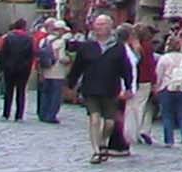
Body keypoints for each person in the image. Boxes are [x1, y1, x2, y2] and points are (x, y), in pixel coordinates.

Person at [70, 15, 135, 163]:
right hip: (90, 88)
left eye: (103, 24)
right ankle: (96, 150)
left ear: (110, 27)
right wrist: (70, 84)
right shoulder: (87, 46)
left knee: (109, 123)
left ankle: (103, 142)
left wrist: (129, 86)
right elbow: (77, 67)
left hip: (110, 89)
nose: (100, 27)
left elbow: (126, 68)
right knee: (94, 118)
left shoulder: (118, 47)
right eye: (97, 24)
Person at [154, 34, 182, 149]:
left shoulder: (164, 58)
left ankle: (169, 140)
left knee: (167, 114)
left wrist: (157, 88)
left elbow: (159, 75)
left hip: (167, 88)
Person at [0, 19, 35, 121]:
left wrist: (0, 67)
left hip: (9, 67)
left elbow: (3, 53)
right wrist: (28, 67)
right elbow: (31, 55)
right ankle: (19, 115)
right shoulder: (29, 38)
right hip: (23, 69)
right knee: (21, 92)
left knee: (8, 91)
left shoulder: (8, 37)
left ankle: (6, 113)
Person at [32, 15, 70, 124]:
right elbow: (61, 58)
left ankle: (42, 114)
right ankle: (51, 115)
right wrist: (68, 60)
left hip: (44, 71)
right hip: (57, 72)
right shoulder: (60, 41)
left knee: (45, 94)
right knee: (55, 95)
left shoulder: (43, 40)